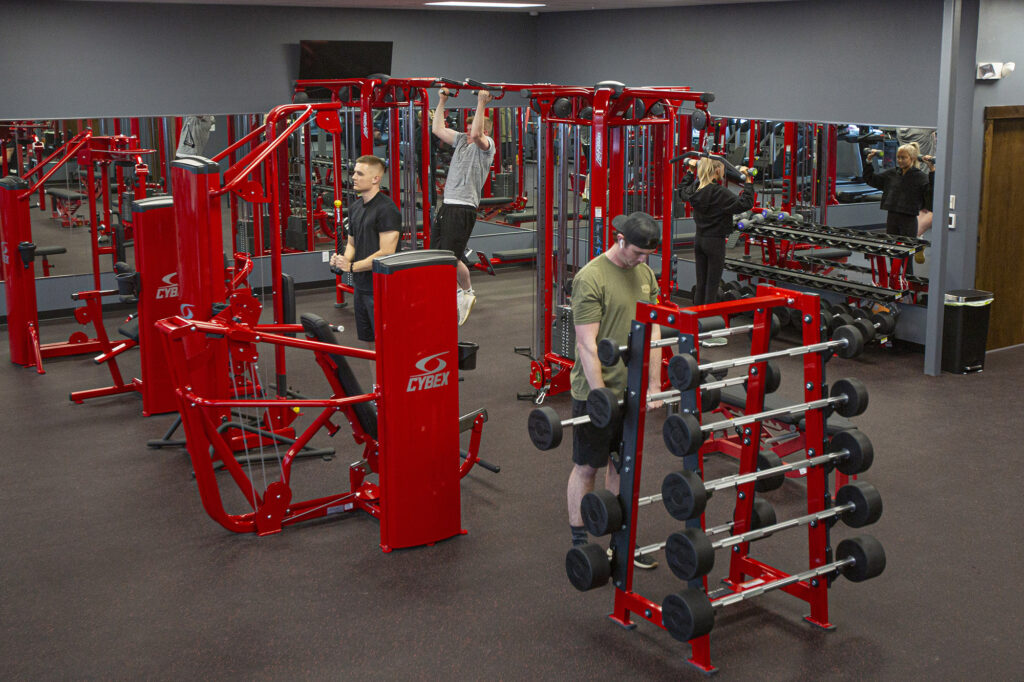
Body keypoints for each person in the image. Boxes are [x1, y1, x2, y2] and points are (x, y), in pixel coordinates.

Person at [567, 212, 665, 569]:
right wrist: (600, 398)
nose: (642, 260)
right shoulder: (590, 277)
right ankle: (580, 543)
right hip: (595, 394)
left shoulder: (644, 274)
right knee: (586, 467)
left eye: (647, 255)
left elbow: (653, 332)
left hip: (631, 390)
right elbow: (587, 345)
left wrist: (653, 383)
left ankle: (618, 545)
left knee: (621, 467)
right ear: (620, 240)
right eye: (637, 252)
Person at [431, 87, 496, 326]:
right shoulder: (460, 140)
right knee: (437, 253)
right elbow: (437, 128)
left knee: (450, 257)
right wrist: (441, 100)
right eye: (467, 129)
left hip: (463, 208)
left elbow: (478, 133)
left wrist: (481, 102)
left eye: (470, 129)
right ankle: (458, 292)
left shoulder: (486, 146)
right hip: (447, 205)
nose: (467, 132)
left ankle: (466, 292)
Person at [676, 156, 755, 347]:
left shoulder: (696, 189)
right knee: (711, 287)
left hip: (699, 240)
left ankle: (694, 328)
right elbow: (745, 204)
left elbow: (682, 192)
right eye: (720, 168)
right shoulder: (720, 192)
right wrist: (749, 181)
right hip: (714, 243)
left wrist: (689, 171)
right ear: (716, 171)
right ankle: (708, 334)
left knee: (701, 284)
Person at [329, 155, 400, 345]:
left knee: (389, 342)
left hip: (382, 288)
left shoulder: (387, 209)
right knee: (368, 339)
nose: (353, 177)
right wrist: (343, 261)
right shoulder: (355, 207)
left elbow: (387, 252)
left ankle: (392, 375)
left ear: (376, 178)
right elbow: (352, 243)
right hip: (361, 287)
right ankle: (378, 375)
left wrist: (352, 267)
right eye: (354, 172)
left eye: (360, 173)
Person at [864, 143, 934, 273]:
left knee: (906, 258)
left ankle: (909, 287)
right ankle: (895, 284)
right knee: (893, 253)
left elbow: (930, 196)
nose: (900, 160)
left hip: (909, 219)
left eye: (903, 157)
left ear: (912, 158)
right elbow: (871, 180)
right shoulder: (892, 174)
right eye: (898, 157)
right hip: (892, 217)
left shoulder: (920, 177)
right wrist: (868, 162)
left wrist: (932, 170)